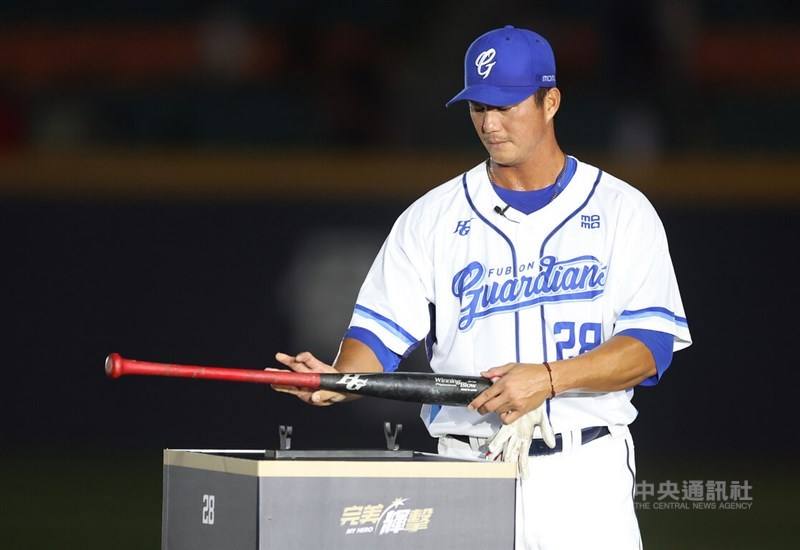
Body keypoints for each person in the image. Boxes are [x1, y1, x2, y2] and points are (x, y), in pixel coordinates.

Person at [274, 25, 691, 550]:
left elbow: (650, 349)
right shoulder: (431, 218)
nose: (490, 123)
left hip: (584, 472)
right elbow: (375, 343)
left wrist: (547, 378)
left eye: (507, 105)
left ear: (551, 101)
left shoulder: (623, 211)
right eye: (478, 107)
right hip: (466, 466)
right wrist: (338, 380)